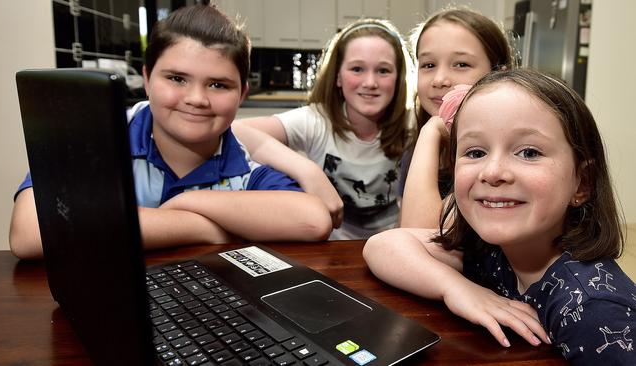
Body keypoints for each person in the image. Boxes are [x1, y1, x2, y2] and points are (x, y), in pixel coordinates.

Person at [8, 4, 333, 260]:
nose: (196, 99)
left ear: (242, 94)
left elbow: (313, 221)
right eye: (177, 78)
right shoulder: (95, 136)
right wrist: (206, 228)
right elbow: (30, 232)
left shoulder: (245, 166)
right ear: (148, 79)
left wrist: (191, 199)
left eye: (218, 84)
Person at [364, 69, 635, 365]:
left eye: (529, 152)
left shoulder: (594, 309)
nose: (492, 172)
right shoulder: (493, 250)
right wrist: (455, 289)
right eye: (476, 152)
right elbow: (383, 245)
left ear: (581, 183)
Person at [234, 18, 415, 239]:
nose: (370, 82)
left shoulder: (413, 125)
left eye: (383, 71)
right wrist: (308, 172)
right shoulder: (316, 121)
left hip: (395, 245)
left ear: (399, 78)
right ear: (338, 77)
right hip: (329, 246)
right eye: (357, 69)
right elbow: (235, 131)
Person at [399, 7, 515, 228]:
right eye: (428, 65)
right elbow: (403, 237)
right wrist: (430, 135)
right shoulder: (419, 150)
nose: (440, 79)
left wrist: (432, 130)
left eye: (461, 64)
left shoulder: (500, 158)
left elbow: (421, 236)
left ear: (498, 73)